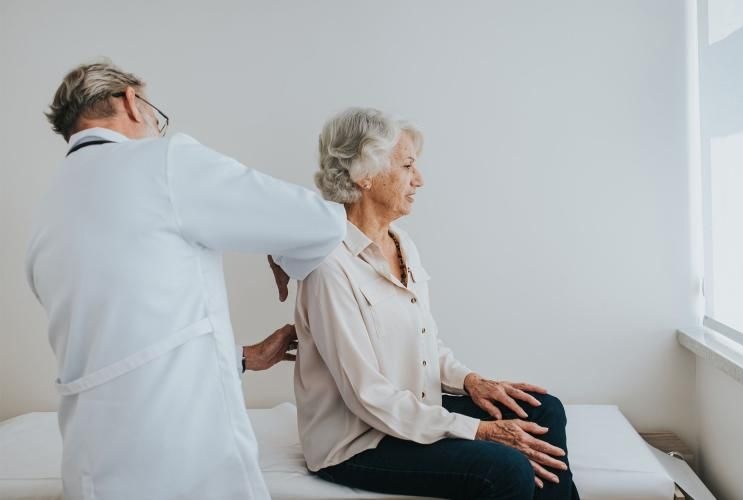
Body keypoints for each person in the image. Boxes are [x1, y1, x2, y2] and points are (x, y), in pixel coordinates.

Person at [25, 61, 346, 500]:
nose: (158, 126)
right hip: (180, 461)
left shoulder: (47, 210)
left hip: (88, 468)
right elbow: (321, 223)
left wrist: (240, 358)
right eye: (156, 113)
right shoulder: (163, 161)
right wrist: (281, 252)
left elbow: (117, 344)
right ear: (131, 102)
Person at [294, 108, 580, 499]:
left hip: (412, 414)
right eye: (408, 166)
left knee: (544, 410)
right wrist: (478, 430)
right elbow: (366, 396)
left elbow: (425, 344)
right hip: (359, 440)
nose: (420, 180)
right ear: (364, 174)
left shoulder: (402, 244)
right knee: (506, 467)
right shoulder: (329, 268)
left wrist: (471, 382)